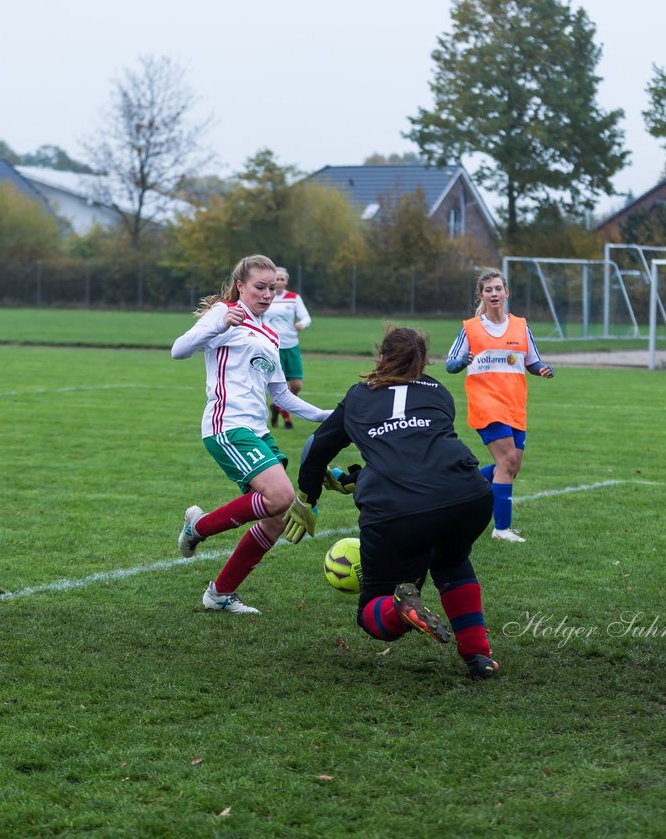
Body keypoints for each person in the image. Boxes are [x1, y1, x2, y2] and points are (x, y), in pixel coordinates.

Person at [288, 326, 499, 679]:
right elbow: (416, 451)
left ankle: (398, 607)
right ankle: (478, 655)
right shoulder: (439, 391)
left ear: (381, 357)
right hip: (468, 496)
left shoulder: (358, 395)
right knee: (451, 559)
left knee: (372, 610)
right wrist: (359, 477)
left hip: (396, 510)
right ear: (423, 362)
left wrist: (308, 497)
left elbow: (314, 451)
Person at [171, 254, 331, 615]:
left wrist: (326, 415)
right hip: (227, 425)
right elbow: (178, 350)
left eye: (272, 287)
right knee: (281, 495)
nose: (267, 294)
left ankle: (220, 593)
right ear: (241, 286)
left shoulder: (270, 333)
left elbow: (282, 396)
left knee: (278, 514)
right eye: (259, 287)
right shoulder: (224, 314)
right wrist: (219, 325)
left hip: (257, 431)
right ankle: (199, 527)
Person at [445, 269, 554, 543]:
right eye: (488, 290)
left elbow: (532, 360)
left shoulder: (521, 326)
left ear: (507, 292)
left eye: (497, 288)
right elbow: (450, 364)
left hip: (515, 405)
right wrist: (463, 361)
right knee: (506, 461)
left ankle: (460, 488)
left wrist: (542, 369)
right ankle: (501, 529)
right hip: (486, 404)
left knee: (511, 467)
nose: (493, 293)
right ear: (481, 295)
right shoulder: (471, 328)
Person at [264, 266, 312, 430]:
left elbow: (306, 317)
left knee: (296, 386)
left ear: (286, 281)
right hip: (273, 347)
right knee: (280, 385)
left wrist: (302, 324)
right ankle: (286, 417)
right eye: (276, 279)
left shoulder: (293, 298)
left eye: (282, 279)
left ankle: (277, 407)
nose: (278, 282)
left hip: (291, 345)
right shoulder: (265, 296)